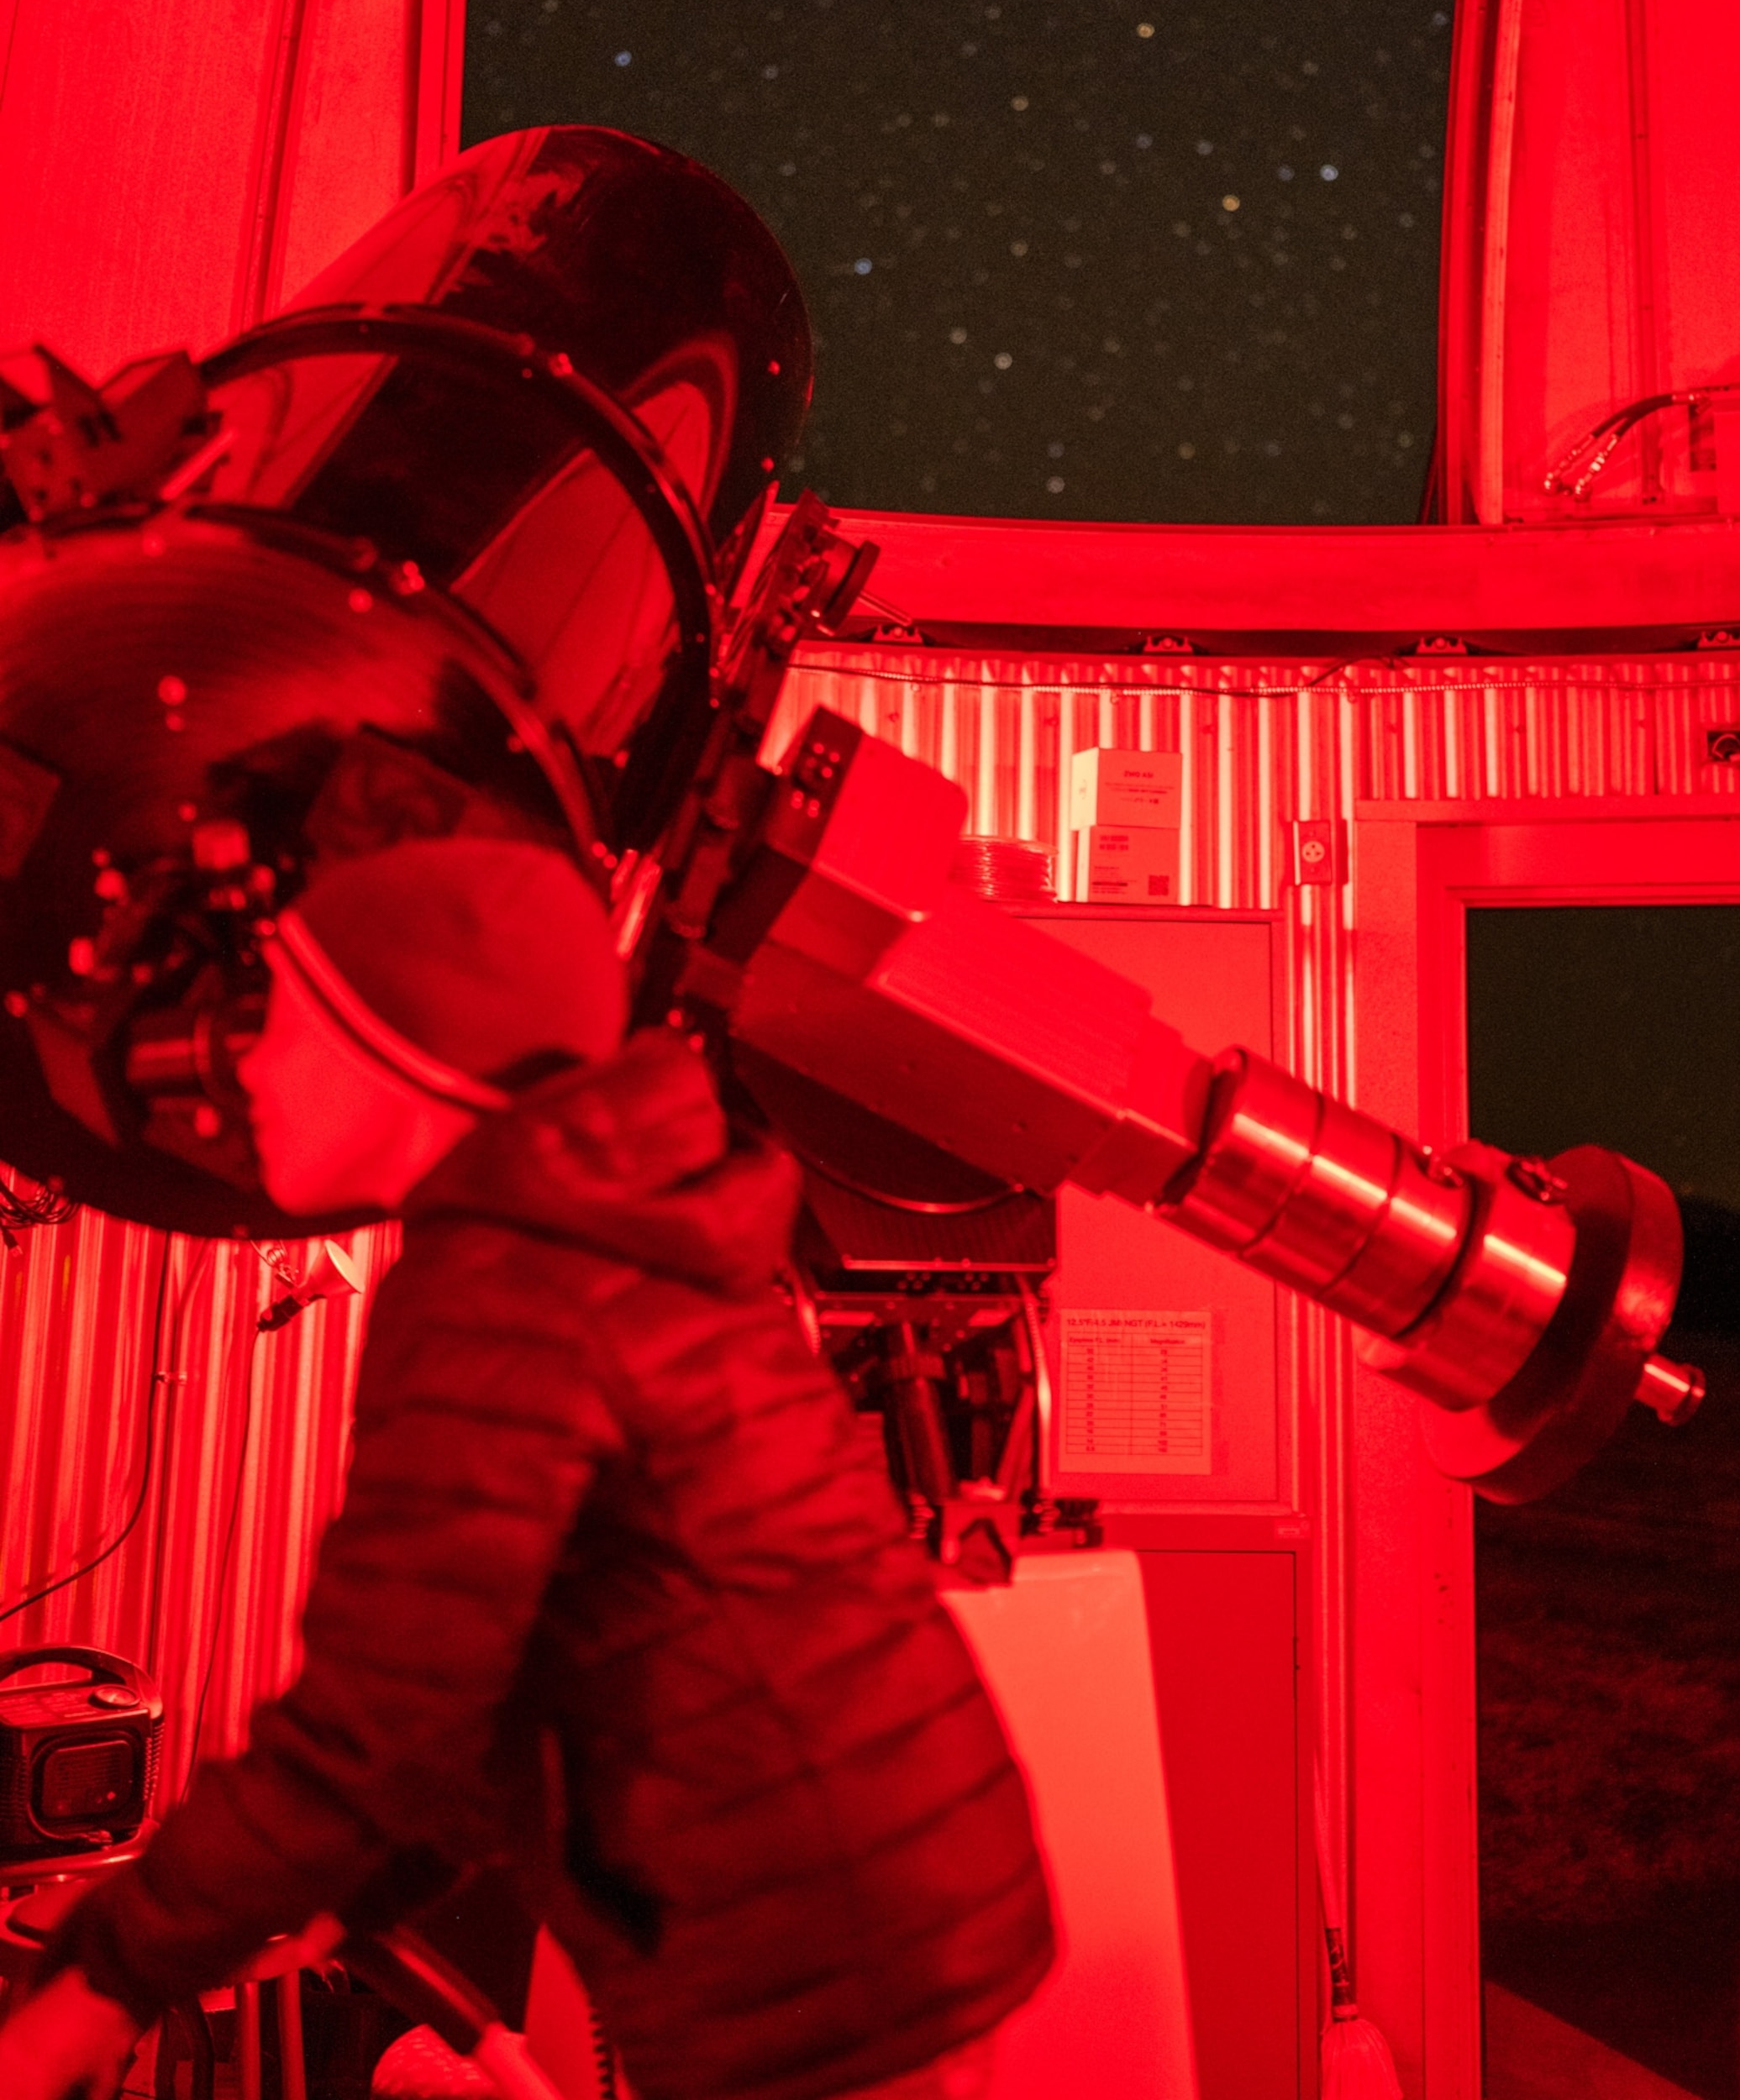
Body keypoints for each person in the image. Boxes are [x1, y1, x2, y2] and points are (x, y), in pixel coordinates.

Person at [0, 837, 1053, 2100]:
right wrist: (362, 1884)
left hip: (810, 1954)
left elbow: (373, 1731)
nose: (246, 1071)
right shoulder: (597, 1237)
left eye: (281, 1022)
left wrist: (87, 1997)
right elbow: (482, 1700)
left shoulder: (504, 1281)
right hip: (895, 1910)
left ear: (405, 1056)